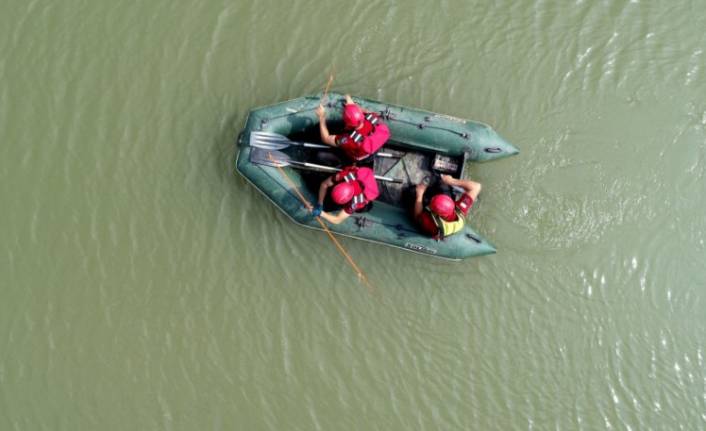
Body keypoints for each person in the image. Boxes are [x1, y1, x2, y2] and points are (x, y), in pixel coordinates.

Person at [315, 94, 390, 163]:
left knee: (320, 155)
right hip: (374, 149)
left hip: (359, 156)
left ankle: (343, 163)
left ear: (347, 123)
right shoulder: (373, 117)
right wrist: (351, 105)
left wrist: (322, 117)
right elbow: (365, 111)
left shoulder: (349, 140)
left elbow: (326, 138)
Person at [413, 174, 481, 239]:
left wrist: (420, 195)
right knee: (443, 184)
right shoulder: (461, 209)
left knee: (411, 192)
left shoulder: (432, 225)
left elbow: (417, 216)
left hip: (434, 224)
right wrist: (451, 181)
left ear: (436, 213)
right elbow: (476, 187)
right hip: (443, 213)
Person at [311, 165, 379, 224]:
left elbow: (337, 220)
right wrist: (320, 203)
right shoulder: (345, 176)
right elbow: (324, 184)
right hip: (358, 178)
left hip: (366, 190)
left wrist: (321, 213)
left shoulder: (357, 201)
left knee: (329, 208)